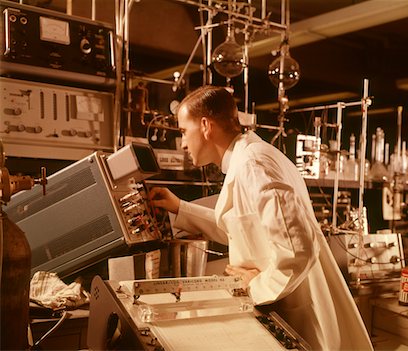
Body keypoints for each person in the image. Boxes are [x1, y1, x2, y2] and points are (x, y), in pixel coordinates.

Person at [149, 85, 373, 351]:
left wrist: (254, 286)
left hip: (296, 314)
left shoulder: (254, 164)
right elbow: (241, 228)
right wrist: (180, 208)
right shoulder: (247, 158)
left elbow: (298, 250)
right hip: (282, 309)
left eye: (185, 131)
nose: (183, 142)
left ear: (206, 125)